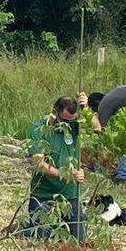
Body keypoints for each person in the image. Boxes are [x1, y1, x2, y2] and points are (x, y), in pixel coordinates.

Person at [22, 96, 86, 242]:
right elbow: (38, 163)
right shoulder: (39, 130)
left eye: (71, 120)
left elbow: (97, 127)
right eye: (64, 120)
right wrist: (66, 174)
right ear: (54, 112)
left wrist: (86, 109)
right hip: (44, 196)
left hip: (70, 196)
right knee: (41, 242)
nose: (67, 124)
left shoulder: (74, 126)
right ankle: (25, 231)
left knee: (78, 242)